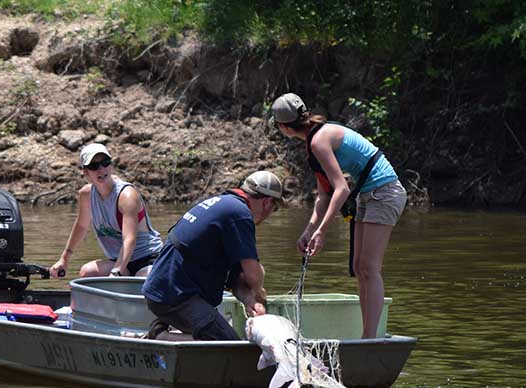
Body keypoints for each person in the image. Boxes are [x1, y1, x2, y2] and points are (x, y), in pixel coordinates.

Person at [270, 92, 407, 339]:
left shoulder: (318, 141)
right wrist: (309, 229)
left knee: (369, 267)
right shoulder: (313, 141)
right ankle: (368, 335)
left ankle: (370, 338)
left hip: (385, 192)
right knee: (359, 267)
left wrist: (322, 231)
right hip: (368, 195)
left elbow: (341, 188)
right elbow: (324, 193)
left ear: (284, 127)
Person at [141, 171, 285, 341]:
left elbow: (237, 279)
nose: (269, 214)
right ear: (267, 203)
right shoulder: (239, 214)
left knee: (223, 338)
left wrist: (250, 302)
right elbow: (253, 275)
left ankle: (168, 331)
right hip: (175, 297)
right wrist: (258, 291)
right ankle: (161, 336)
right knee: (226, 344)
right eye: (274, 209)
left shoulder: (225, 206)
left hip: (164, 291)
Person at [50, 143, 163, 279]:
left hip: (147, 258)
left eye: (105, 163)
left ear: (111, 165)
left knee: (142, 282)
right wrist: (64, 259)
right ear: (86, 172)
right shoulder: (86, 195)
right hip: (118, 260)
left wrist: (116, 273)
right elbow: (81, 226)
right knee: (87, 272)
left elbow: (129, 240)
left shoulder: (126, 195)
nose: (101, 169)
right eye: (94, 166)